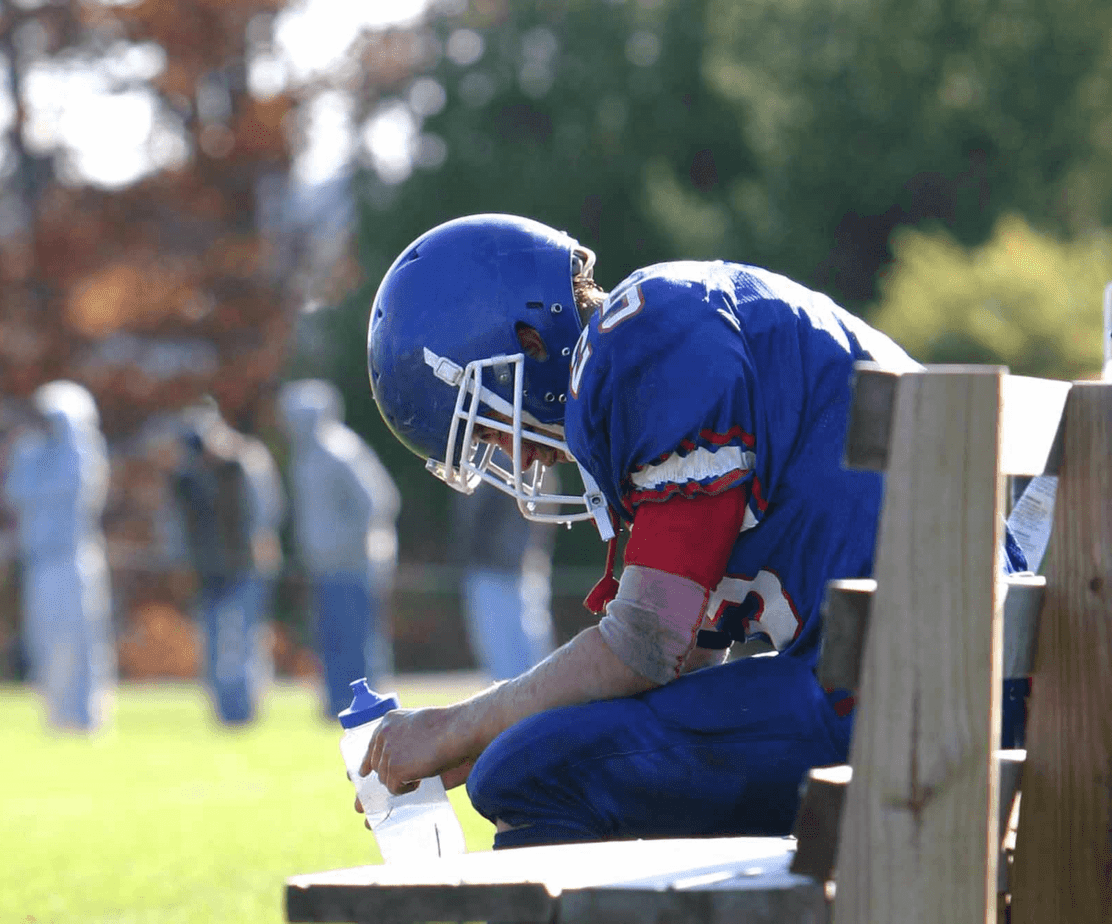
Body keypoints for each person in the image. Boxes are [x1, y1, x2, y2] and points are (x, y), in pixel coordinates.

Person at [359, 213, 1030, 847]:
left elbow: (647, 645)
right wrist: (467, 740)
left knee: (526, 769)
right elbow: (678, 665)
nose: (512, 454)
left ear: (527, 341)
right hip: (947, 676)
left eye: (483, 421)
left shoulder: (647, 345)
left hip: (916, 700)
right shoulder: (666, 326)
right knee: (537, 751)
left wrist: (457, 726)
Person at [279, 379, 401, 718]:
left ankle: (367, 711)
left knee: (357, 642)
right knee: (329, 640)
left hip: (353, 565)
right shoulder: (304, 457)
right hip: (323, 567)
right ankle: (336, 707)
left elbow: (378, 502)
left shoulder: (340, 451)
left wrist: (345, 545)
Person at [2, 380, 115, 733]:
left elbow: (76, 488)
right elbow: (15, 493)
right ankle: (57, 715)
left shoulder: (84, 450)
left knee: (82, 640)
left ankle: (86, 715)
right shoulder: (28, 451)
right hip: (39, 560)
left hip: (75, 558)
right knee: (45, 640)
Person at [166, 400, 284, 725]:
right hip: (208, 571)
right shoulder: (188, 476)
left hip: (246, 566)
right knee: (215, 645)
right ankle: (223, 713)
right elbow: (177, 522)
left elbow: (267, 512)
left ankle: (244, 712)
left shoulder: (245, 460)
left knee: (244, 641)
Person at [449, 458, 556, 680]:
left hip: (514, 570)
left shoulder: (505, 453)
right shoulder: (480, 453)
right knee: (507, 664)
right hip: (488, 568)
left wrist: (538, 546)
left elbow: (547, 483)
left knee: (528, 663)